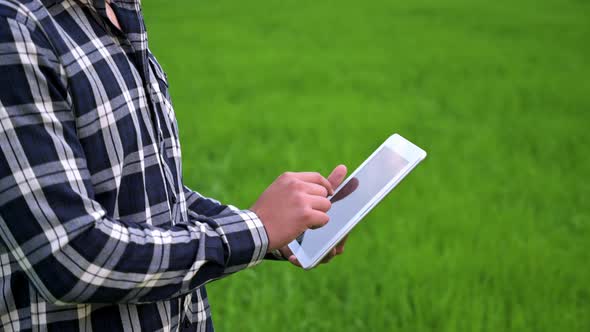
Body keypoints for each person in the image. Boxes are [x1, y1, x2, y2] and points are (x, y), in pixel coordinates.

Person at [0, 0, 348, 330]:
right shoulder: (17, 26)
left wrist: (278, 232)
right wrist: (256, 228)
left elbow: (150, 196)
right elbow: (70, 256)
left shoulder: (117, 11)